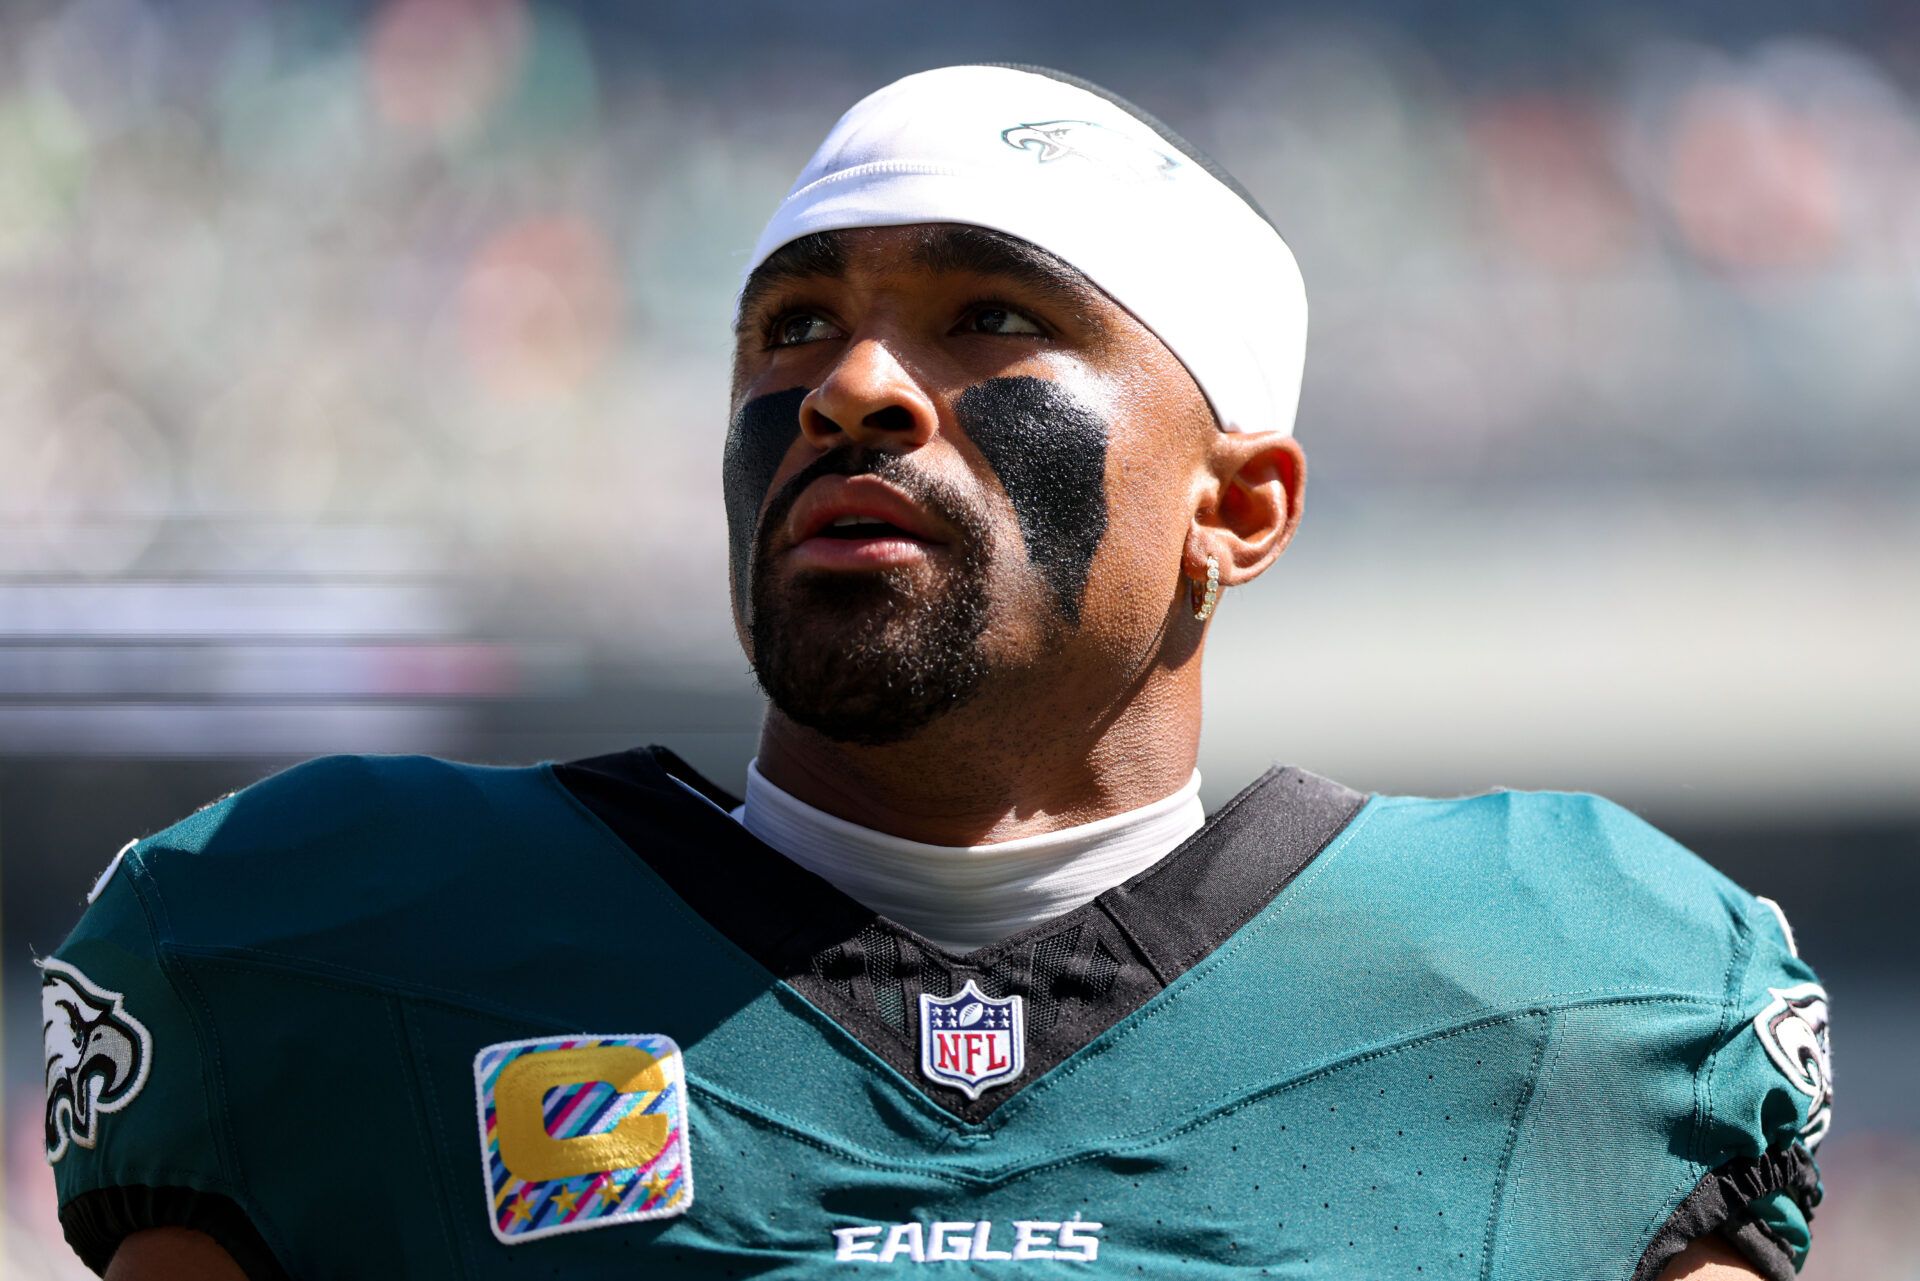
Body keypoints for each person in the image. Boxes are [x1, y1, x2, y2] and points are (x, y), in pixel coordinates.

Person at [43, 65, 1829, 1280]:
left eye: (991, 318)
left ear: (1237, 506)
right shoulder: (333, 949)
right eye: (794, 326)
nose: (849, 388)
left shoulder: (1563, 1005)